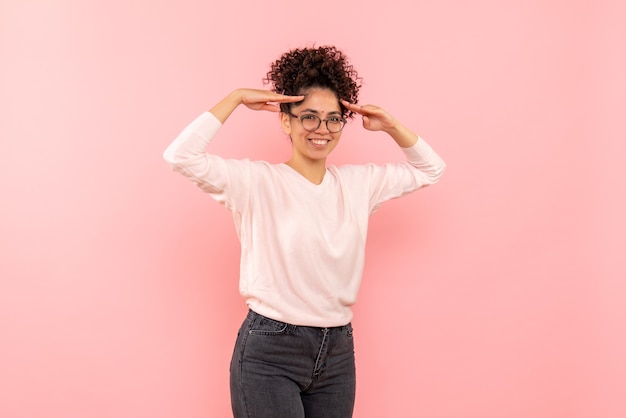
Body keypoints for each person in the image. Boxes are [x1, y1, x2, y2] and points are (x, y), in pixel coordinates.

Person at [163, 45, 446, 418]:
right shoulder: (255, 182)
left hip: (338, 351)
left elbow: (431, 169)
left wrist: (392, 126)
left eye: (333, 119)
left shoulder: (358, 185)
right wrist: (233, 100)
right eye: (309, 117)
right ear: (286, 120)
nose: (322, 130)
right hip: (270, 350)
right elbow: (180, 156)